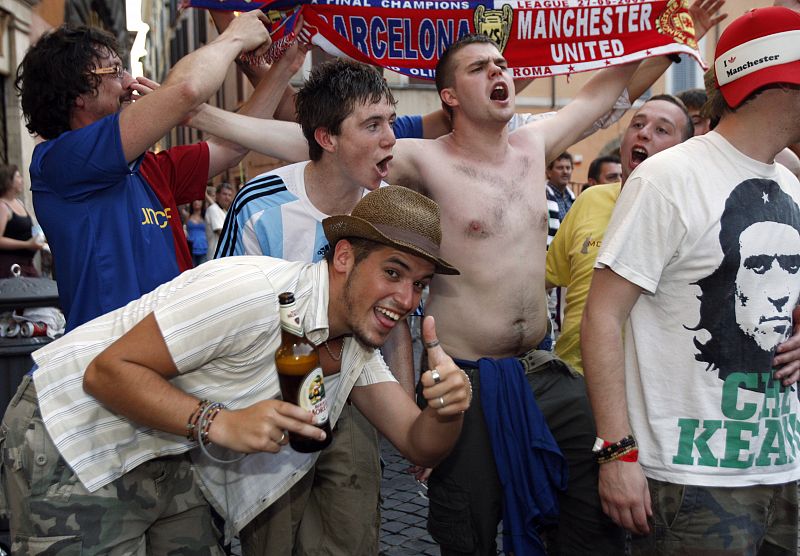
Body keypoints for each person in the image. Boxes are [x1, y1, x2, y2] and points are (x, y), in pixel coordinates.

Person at [2, 185, 472, 555]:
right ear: (344, 256)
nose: (407, 300)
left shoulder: (351, 344)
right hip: (71, 430)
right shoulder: (253, 291)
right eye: (393, 273)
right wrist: (221, 422)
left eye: (419, 284)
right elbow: (106, 372)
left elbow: (416, 440)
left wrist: (448, 409)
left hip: (161, 445)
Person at [582, 6, 800, 553]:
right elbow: (602, 316)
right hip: (689, 480)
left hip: (782, 466)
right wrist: (616, 453)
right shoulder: (669, 178)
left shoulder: (791, 184)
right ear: (780, 81)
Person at [215, 58, 416, 555]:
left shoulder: (389, 210)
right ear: (327, 137)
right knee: (273, 545)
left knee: (351, 540)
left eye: (390, 121)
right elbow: (225, 309)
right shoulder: (259, 204)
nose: (391, 137)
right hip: (271, 402)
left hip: (355, 396)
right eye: (373, 124)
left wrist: (408, 418)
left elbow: (398, 323)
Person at [14, 13, 277, 330]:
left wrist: (285, 67)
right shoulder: (59, 160)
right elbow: (186, 90)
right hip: (111, 360)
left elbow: (233, 143)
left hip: (175, 350)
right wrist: (234, 36)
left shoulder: (147, 166)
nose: (129, 82)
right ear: (78, 95)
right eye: (114, 70)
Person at [546, 95, 694, 374]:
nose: (644, 132)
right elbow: (547, 277)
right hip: (575, 378)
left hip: (651, 386)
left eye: (661, 130)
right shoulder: (590, 200)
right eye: (637, 124)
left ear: (684, 152)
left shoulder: (697, 213)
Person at [0, 164, 44, 278]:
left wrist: (42, 239)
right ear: (8, 181)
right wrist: (26, 244)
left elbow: (34, 226)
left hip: (27, 264)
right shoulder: (2, 206)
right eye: (18, 176)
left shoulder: (19, 203)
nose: (22, 180)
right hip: (10, 267)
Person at [206, 182, 235, 257]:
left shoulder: (224, 211)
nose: (227, 197)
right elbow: (222, 233)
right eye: (224, 194)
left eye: (229, 195)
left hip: (223, 256)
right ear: (217, 195)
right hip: (215, 256)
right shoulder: (213, 209)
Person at [185, 198, 209, 267]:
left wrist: (206, 195)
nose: (196, 202)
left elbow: (214, 206)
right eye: (194, 200)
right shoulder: (187, 216)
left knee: (202, 272)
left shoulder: (206, 216)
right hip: (191, 248)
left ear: (203, 202)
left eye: (199, 200)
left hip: (203, 247)